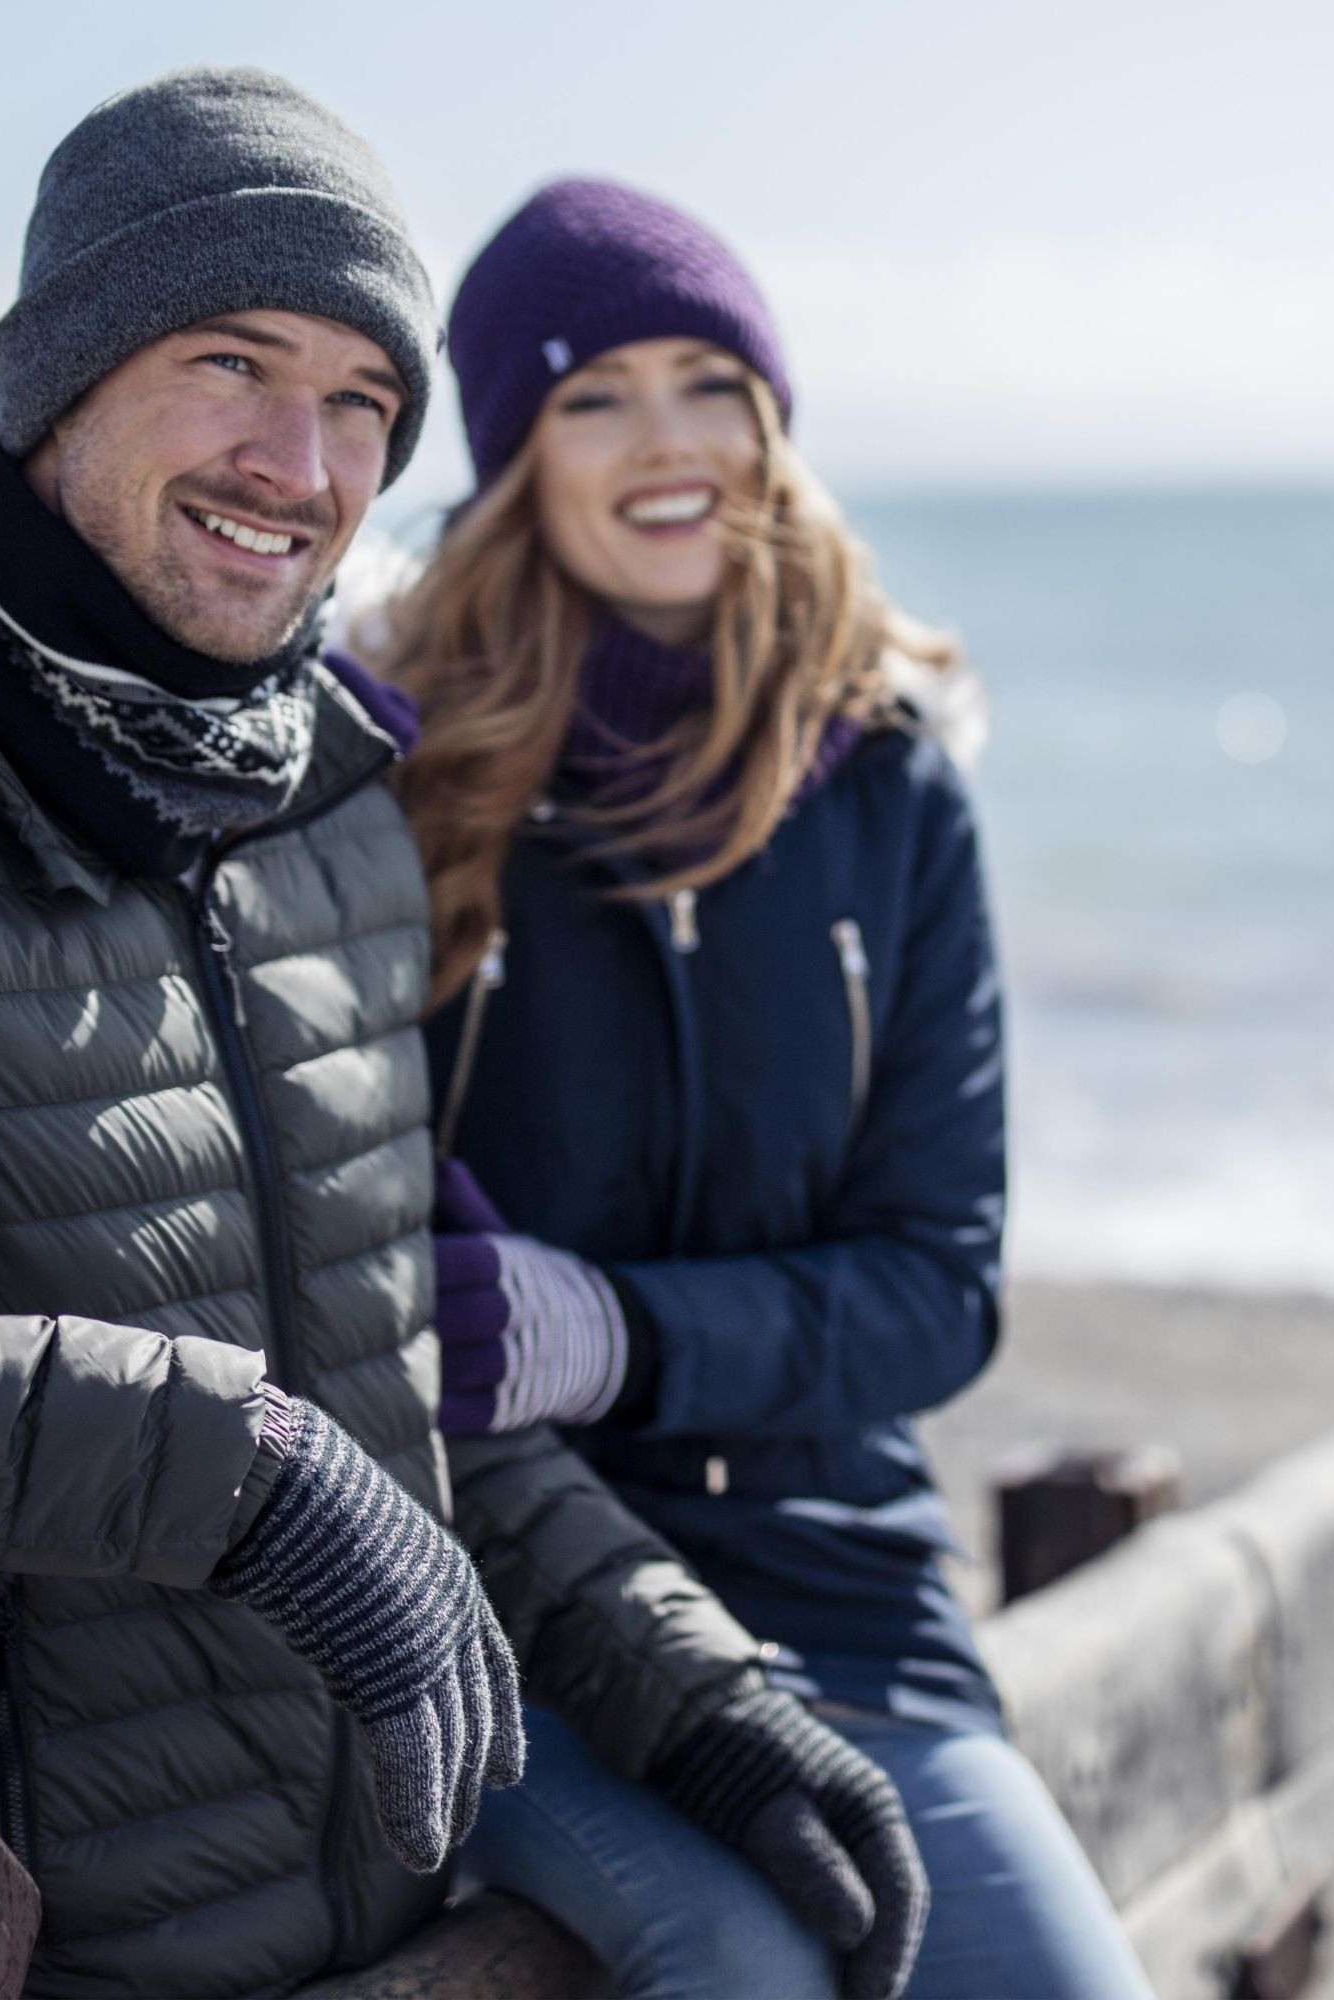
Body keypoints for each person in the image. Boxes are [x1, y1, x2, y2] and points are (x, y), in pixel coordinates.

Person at [0, 78, 922, 2000]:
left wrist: (700, 1698)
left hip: (399, 1923)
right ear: (60, 378)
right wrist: (235, 1470)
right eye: (230, 361)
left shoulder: (337, 817)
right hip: (27, 1944)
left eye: (362, 400)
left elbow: (401, 1397)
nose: (298, 463)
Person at [371, 178, 1158, 1999]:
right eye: (593, 397)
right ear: (513, 457)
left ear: (771, 421)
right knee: (741, 1957)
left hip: (842, 1591)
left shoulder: (891, 791)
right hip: (523, 1619)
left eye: (708, 385)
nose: (669, 444)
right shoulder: (399, 785)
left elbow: (938, 1290)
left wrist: (616, 1334)